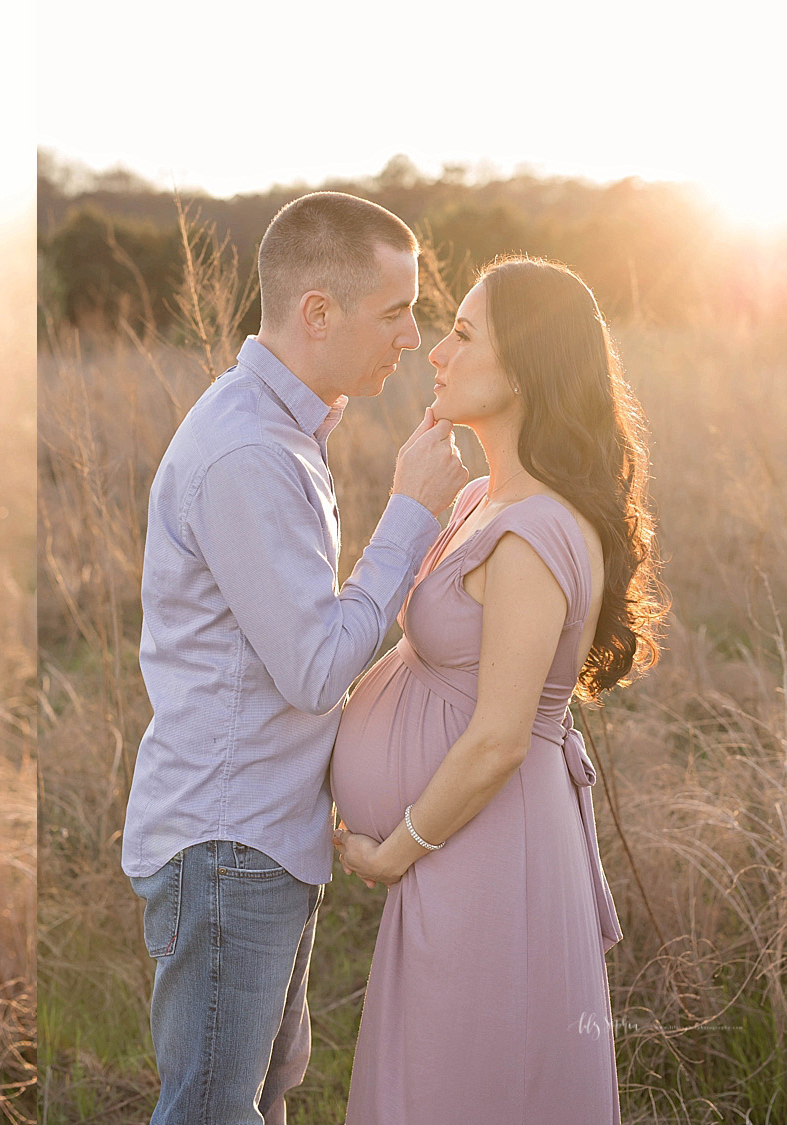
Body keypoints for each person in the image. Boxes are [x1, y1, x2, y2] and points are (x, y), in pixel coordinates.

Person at [122, 192, 468, 1125]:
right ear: (318, 312)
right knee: (210, 1111)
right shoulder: (247, 453)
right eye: (395, 309)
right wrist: (413, 512)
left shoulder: (282, 435)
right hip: (229, 844)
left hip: (264, 836)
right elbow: (316, 667)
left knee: (260, 1099)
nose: (413, 334)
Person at [330, 256, 666, 1123]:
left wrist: (391, 850)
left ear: (522, 367)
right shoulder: (482, 495)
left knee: (468, 1085)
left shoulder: (534, 529)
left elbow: (498, 738)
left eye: (464, 333)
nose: (435, 352)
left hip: (487, 847)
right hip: (459, 844)